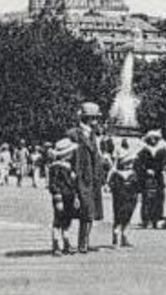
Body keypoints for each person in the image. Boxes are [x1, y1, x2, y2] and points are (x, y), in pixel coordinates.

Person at [68, 103, 106, 254]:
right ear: (89, 119)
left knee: (89, 213)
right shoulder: (74, 134)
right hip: (80, 178)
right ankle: (72, 242)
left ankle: (83, 242)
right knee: (78, 211)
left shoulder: (92, 135)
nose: (97, 122)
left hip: (91, 180)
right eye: (96, 119)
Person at [107, 134, 141, 247]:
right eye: (127, 161)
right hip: (120, 193)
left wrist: (137, 193)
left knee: (129, 212)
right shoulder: (117, 174)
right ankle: (116, 235)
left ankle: (124, 235)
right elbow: (112, 181)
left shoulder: (133, 174)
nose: (130, 163)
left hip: (131, 194)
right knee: (118, 212)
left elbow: (137, 187)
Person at [47, 138, 79, 255]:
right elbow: (53, 184)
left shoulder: (68, 167)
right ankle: (56, 244)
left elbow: (73, 184)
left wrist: (75, 196)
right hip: (60, 197)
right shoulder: (56, 167)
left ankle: (66, 242)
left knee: (67, 220)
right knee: (58, 220)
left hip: (69, 196)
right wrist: (58, 197)